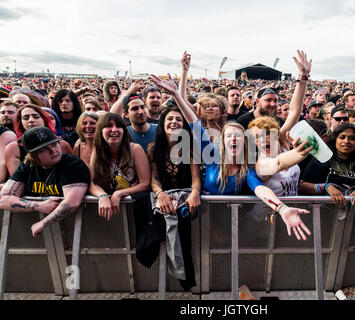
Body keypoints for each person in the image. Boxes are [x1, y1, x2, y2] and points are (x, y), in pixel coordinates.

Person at [149, 73, 311, 241]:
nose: (234, 139)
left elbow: (264, 185)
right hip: (202, 219)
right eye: (229, 136)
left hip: (230, 223)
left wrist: (282, 208)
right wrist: (176, 95)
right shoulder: (212, 155)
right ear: (222, 142)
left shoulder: (246, 170)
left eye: (238, 136)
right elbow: (193, 121)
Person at [147, 105, 201, 291]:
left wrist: (195, 193)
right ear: (162, 124)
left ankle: (186, 279)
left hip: (185, 202)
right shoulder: (154, 149)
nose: (174, 122)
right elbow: (153, 179)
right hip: (164, 202)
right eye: (170, 119)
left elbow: (196, 180)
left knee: (186, 241)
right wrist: (160, 194)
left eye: (178, 119)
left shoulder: (190, 148)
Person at [0, 126, 89, 237]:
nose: (53, 151)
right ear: (33, 155)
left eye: (54, 144)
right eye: (44, 149)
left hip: (76, 231)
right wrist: (39, 205)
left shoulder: (72, 164)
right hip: (40, 237)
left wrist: (43, 223)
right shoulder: (27, 166)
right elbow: (2, 199)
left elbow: (72, 203)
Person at [88, 113, 151, 220]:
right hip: (109, 213)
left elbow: (145, 184)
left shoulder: (135, 149)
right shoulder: (97, 152)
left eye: (118, 126)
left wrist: (119, 193)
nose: (114, 130)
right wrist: (102, 196)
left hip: (135, 209)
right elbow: (91, 183)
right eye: (109, 126)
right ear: (101, 131)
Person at [299, 123, 355, 208]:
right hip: (327, 214)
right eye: (342, 137)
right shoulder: (323, 159)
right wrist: (325, 187)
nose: (346, 141)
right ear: (335, 139)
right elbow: (302, 186)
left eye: (352, 138)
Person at [5, 104, 72, 177]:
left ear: (45, 120)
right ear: (21, 123)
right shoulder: (13, 148)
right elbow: (18, 179)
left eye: (36, 117)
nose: (31, 120)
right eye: (26, 118)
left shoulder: (63, 144)